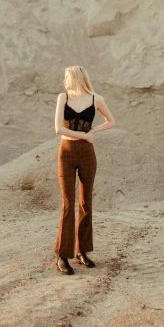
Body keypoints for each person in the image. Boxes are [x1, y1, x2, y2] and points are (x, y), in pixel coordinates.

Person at [53, 65, 116, 275]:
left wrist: (95, 130)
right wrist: (85, 136)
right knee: (68, 204)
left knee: (86, 203)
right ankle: (62, 256)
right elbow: (58, 129)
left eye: (66, 77)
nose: (64, 81)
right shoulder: (63, 97)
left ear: (76, 78)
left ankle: (82, 251)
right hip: (67, 152)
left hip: (87, 154)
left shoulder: (95, 99)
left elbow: (112, 121)